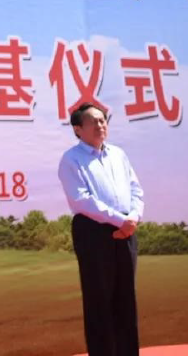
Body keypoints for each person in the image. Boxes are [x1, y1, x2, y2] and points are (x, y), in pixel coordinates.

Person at [58, 103, 144, 356]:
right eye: (93, 121)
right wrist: (120, 221)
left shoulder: (118, 154)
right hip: (93, 232)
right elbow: (82, 200)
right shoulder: (71, 159)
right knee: (99, 301)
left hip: (126, 231)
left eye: (102, 120)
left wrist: (133, 218)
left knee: (126, 298)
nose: (100, 125)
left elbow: (136, 189)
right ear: (78, 128)